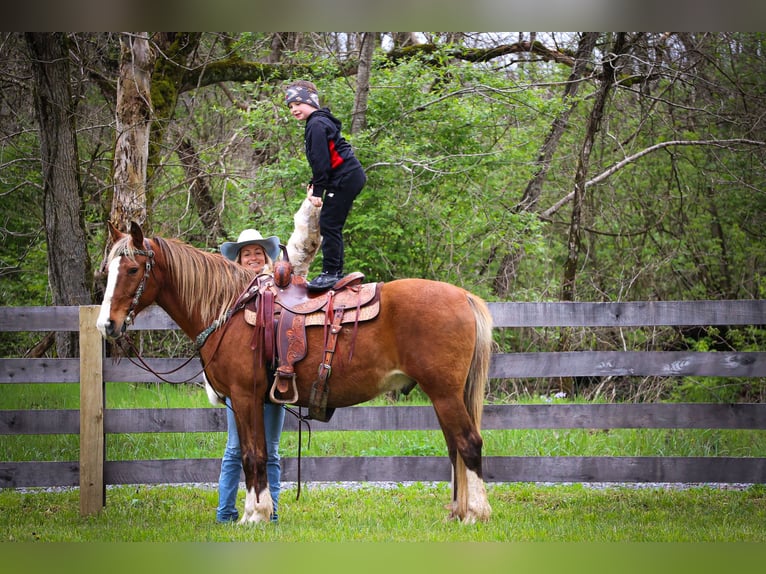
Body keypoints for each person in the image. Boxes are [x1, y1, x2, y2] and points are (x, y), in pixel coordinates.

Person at [216, 228, 286, 523]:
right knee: (236, 448)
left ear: (266, 255)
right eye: (247, 253)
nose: (253, 257)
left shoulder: (280, 287)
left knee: (270, 450)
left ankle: (271, 512)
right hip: (242, 380)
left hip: (274, 378)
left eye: (258, 252)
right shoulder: (228, 292)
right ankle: (225, 511)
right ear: (239, 259)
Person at [285, 80, 367, 291]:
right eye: (290, 106)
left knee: (330, 223)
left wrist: (319, 190)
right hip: (345, 177)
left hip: (346, 178)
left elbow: (322, 161)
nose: (293, 109)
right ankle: (334, 271)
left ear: (310, 101)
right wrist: (315, 183)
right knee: (331, 223)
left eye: (297, 103)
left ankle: (331, 273)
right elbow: (324, 160)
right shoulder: (317, 123)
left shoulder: (316, 124)